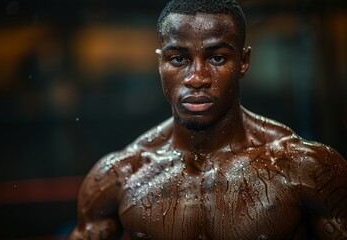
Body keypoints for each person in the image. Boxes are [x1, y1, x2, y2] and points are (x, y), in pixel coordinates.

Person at [68, 0, 347, 239]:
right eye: (178, 59)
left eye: (216, 58)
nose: (196, 78)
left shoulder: (306, 168)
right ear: (160, 63)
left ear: (243, 61)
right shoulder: (121, 175)